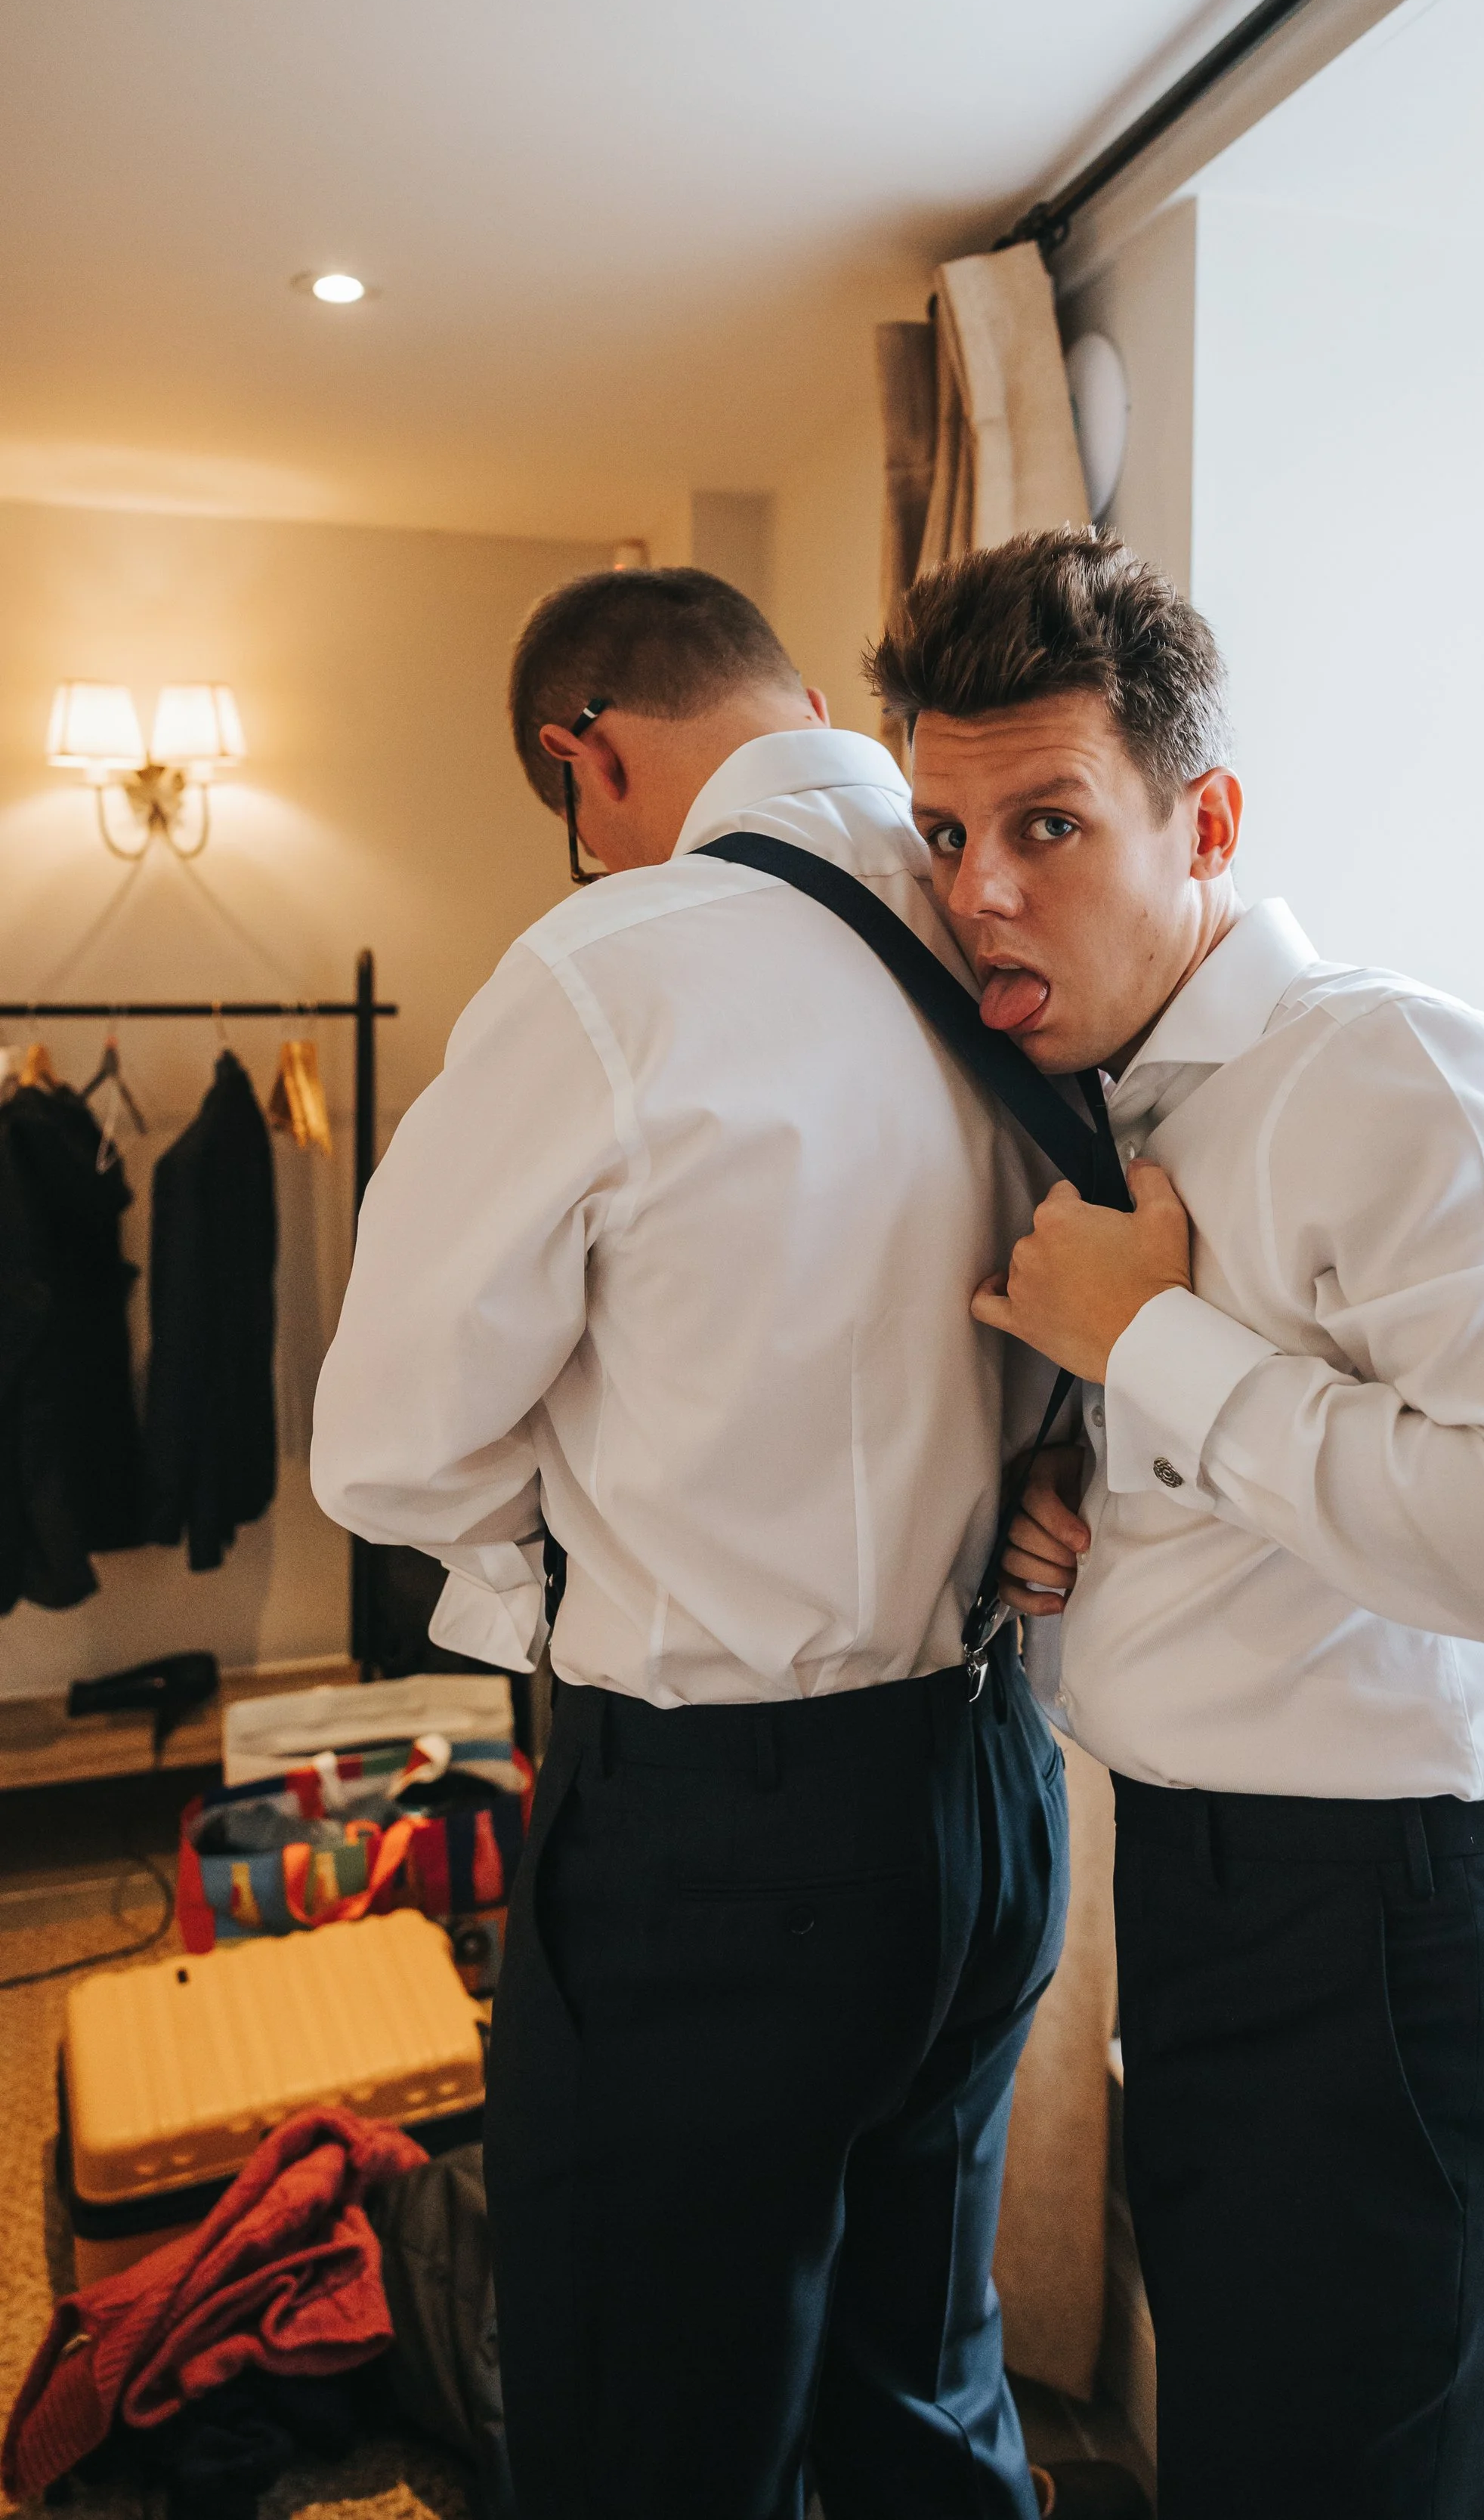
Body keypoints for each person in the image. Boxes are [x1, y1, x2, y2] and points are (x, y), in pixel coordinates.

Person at [867, 529, 1484, 2520]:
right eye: (946, 830)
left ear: (1206, 822)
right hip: (1226, 1919)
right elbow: (1296, 1498)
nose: (978, 889)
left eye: (1048, 822)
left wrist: (1152, 1346)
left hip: (1413, 1952)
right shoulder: (1106, 1107)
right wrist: (1087, 1495)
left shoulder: (1406, 1078)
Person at [309, 566, 1068, 2520]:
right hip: (992, 1790)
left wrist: (556, 1555)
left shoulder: (610, 968)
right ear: (804, 702)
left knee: (651, 2428)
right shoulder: (1008, 924)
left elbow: (385, 1451)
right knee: (924, 2386)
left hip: (718, 1842)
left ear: (586, 759)